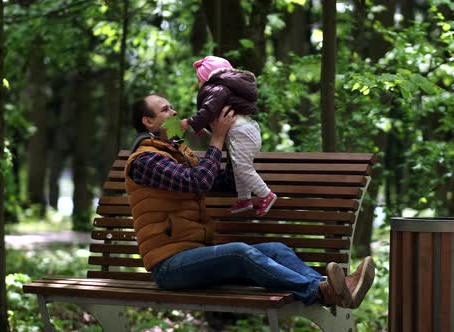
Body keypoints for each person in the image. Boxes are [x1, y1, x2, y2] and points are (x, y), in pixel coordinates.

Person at [125, 93, 376, 309]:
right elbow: (198, 182)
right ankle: (321, 291)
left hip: (195, 256)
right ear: (149, 121)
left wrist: (237, 141)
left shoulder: (177, 154)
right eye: (165, 109)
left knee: (277, 250)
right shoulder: (145, 160)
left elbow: (227, 182)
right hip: (169, 266)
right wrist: (217, 140)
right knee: (240, 252)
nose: (175, 111)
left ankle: (336, 288)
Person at [180, 55, 276, 216]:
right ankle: (244, 199)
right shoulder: (226, 90)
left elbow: (208, 111)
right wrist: (202, 128)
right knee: (239, 168)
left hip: (242, 133)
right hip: (244, 132)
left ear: (208, 77)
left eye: (199, 79)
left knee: (243, 168)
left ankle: (266, 194)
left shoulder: (218, 89)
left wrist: (190, 122)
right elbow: (218, 117)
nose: (199, 84)